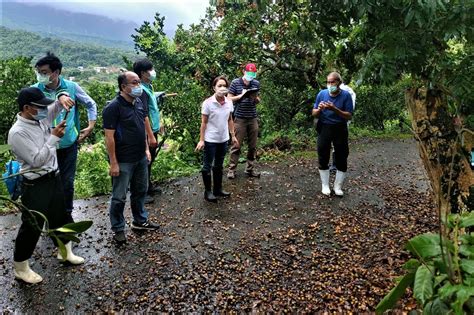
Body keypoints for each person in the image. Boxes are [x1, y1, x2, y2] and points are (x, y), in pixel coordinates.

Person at [8, 87, 85, 284]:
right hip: (35, 184)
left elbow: (57, 106)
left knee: (60, 217)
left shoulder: (39, 117)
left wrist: (62, 97)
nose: (45, 108)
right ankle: (21, 268)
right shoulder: (18, 133)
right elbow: (37, 160)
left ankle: (65, 252)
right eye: (40, 106)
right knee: (32, 225)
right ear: (27, 108)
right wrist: (54, 137)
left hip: (53, 177)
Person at [33, 52, 97, 220]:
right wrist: (58, 101)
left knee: (67, 183)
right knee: (47, 182)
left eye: (44, 72)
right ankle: (50, 216)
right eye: (39, 72)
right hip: (45, 146)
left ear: (56, 72)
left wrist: (91, 125)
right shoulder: (34, 90)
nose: (40, 75)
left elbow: (91, 103)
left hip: (68, 143)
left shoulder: (72, 87)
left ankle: (66, 215)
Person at [102, 71, 160, 244]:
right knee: (119, 196)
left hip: (140, 156)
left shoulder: (138, 102)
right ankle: (118, 228)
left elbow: (141, 124)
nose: (138, 86)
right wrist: (113, 162)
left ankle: (140, 221)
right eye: (134, 83)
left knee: (140, 190)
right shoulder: (113, 108)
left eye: (138, 82)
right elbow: (109, 137)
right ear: (123, 87)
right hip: (123, 159)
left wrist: (146, 149)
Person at [195, 76, 239, 202]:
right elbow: (203, 123)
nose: (222, 88)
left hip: (223, 139)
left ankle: (218, 189)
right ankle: (208, 192)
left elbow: (230, 119)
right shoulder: (208, 103)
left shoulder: (229, 102)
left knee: (219, 165)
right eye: (219, 86)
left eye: (224, 86)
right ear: (214, 88)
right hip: (210, 139)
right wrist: (202, 140)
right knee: (207, 165)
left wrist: (233, 135)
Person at [312, 72, 354, 197]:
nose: (330, 85)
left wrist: (334, 109)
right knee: (323, 154)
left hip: (340, 128)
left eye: (333, 82)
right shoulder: (322, 94)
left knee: (342, 155)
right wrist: (319, 109)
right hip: (324, 127)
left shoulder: (346, 95)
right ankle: (325, 185)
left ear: (339, 83)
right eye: (328, 82)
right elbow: (314, 113)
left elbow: (349, 115)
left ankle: (338, 186)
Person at [133, 58, 164, 203]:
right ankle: (142, 193)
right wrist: (150, 136)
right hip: (147, 132)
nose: (153, 72)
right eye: (149, 70)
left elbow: (153, 109)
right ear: (142, 73)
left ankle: (148, 187)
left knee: (149, 160)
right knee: (145, 161)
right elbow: (144, 114)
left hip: (153, 129)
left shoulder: (148, 86)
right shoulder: (142, 91)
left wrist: (159, 125)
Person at [227, 63, 261, 179]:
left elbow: (258, 100)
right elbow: (228, 98)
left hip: (252, 117)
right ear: (244, 72)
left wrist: (255, 98)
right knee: (236, 145)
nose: (251, 76)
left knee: (253, 145)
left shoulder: (256, 83)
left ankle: (250, 169)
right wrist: (240, 96)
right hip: (239, 118)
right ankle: (232, 169)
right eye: (249, 73)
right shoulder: (235, 83)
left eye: (253, 74)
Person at [329, 82, 356, 172]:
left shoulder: (348, 91)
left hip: (342, 119)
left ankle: (338, 163)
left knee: (340, 142)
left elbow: (350, 108)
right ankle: (335, 164)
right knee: (335, 142)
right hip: (333, 119)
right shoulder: (330, 89)